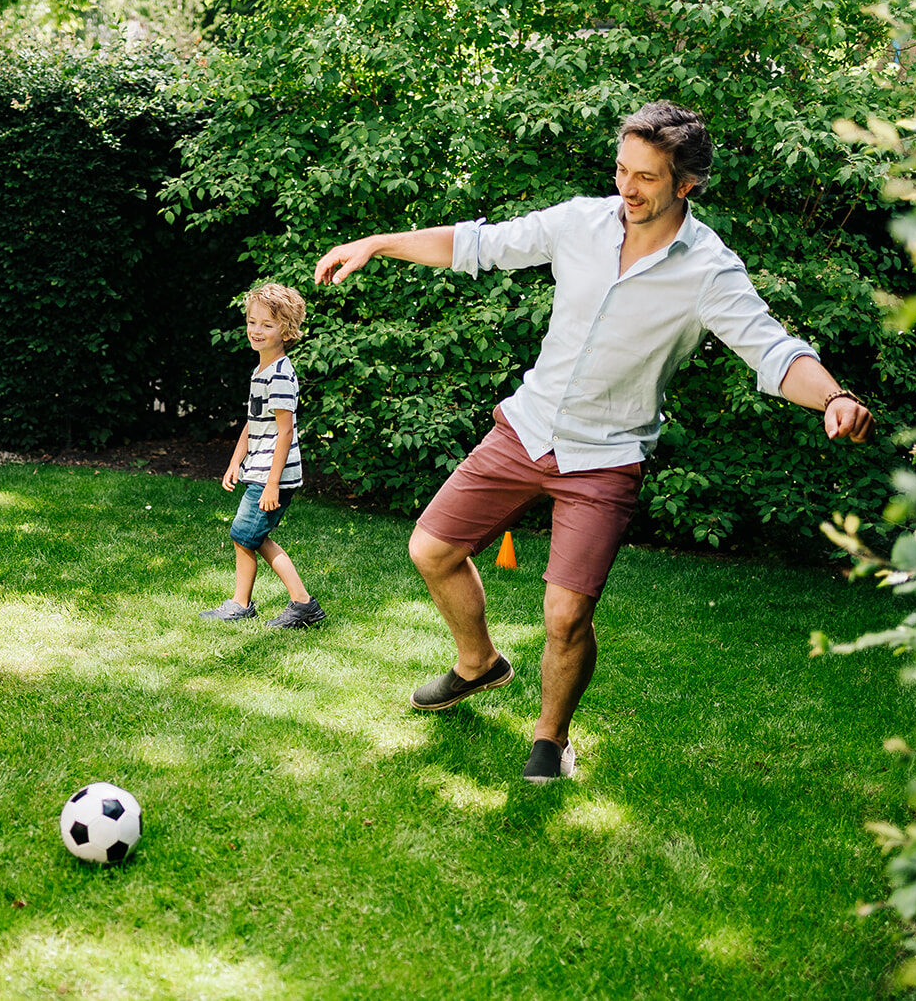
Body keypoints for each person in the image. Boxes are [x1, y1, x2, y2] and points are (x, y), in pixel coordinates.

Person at [313, 101, 874, 783]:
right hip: (528, 427)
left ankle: (551, 737)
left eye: (646, 177)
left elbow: (774, 351)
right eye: (621, 169)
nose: (627, 188)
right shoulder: (579, 222)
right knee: (430, 549)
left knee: (566, 613)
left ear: (686, 184)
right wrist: (377, 242)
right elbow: (477, 245)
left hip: (606, 458)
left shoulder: (709, 270)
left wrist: (835, 395)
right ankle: (478, 663)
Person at [200, 282, 328, 629]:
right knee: (248, 537)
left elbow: (285, 431)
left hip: (274, 475)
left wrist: (272, 484)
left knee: (246, 537)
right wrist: (235, 461)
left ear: (286, 331)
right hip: (258, 470)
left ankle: (300, 603)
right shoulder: (261, 371)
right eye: (252, 322)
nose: (256, 330)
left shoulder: (281, 375)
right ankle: (245, 603)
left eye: (267, 325)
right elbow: (254, 423)